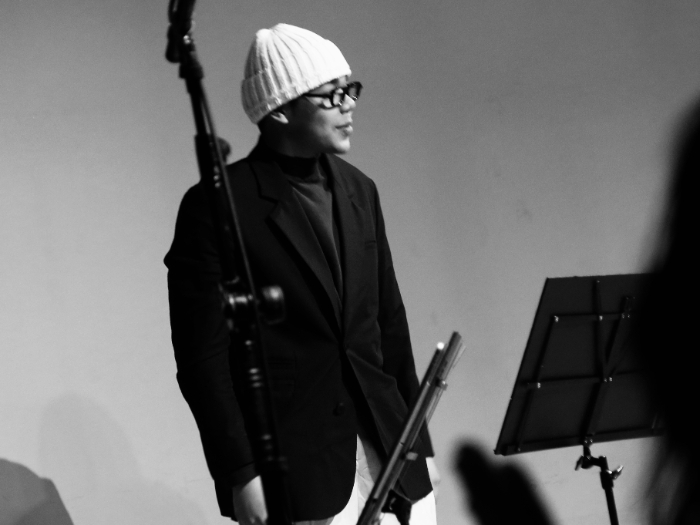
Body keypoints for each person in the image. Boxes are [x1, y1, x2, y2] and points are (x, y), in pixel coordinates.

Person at [165, 23, 438, 524]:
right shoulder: (220, 205)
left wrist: (419, 444)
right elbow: (204, 360)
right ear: (281, 109)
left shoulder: (360, 190)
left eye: (350, 90)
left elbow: (389, 326)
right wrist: (242, 474)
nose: (348, 105)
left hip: (393, 455)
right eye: (331, 95)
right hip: (299, 475)